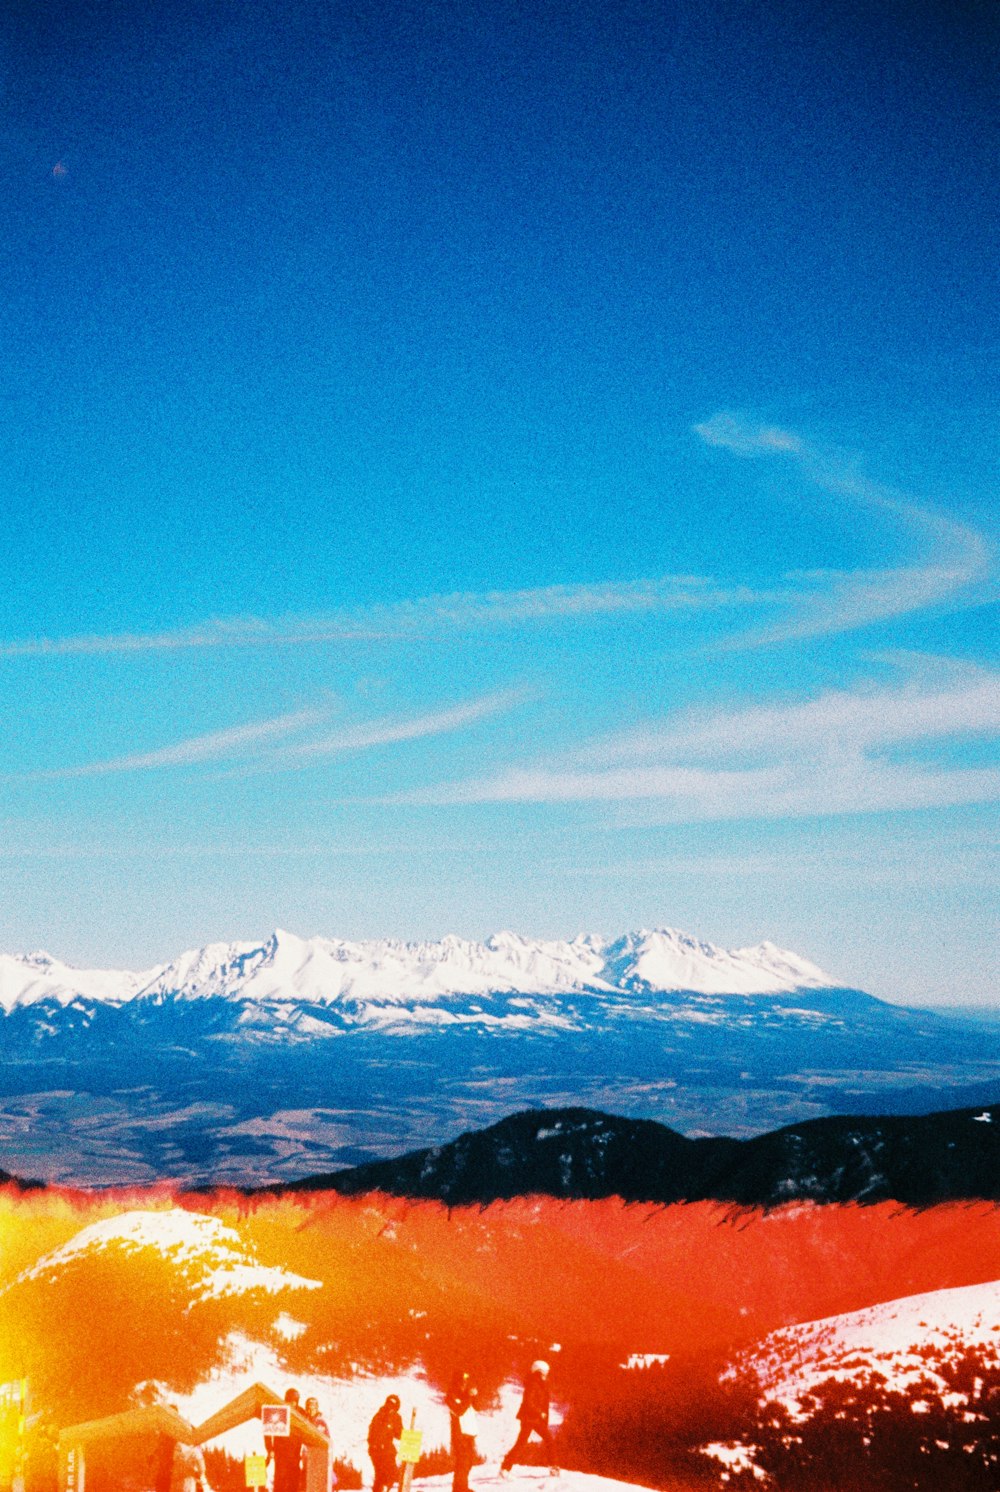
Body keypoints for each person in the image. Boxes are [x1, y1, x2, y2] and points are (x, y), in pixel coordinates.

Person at [500, 1361, 557, 1477]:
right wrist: (540, 1413)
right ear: (539, 1371)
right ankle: (553, 1468)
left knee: (522, 1443)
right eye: (545, 1372)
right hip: (530, 1418)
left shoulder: (539, 1383)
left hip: (533, 1418)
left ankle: (505, 1468)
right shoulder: (534, 1383)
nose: (547, 1374)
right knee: (547, 1440)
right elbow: (528, 1402)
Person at [267, 1389, 305, 1492]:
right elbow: (268, 1430)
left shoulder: (301, 1412)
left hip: (295, 1453)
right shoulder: (279, 1411)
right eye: (290, 1401)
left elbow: (310, 1428)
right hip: (281, 1453)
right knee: (280, 1482)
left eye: (294, 1401)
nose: (292, 1404)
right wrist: (270, 1448)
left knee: (294, 1481)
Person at [367, 1394, 402, 1492]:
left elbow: (399, 1434)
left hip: (384, 1450)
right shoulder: (381, 1416)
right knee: (383, 1475)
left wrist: (409, 1436)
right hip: (380, 1451)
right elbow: (374, 1434)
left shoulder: (393, 1417)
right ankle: (382, 1488)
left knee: (386, 1475)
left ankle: (384, 1488)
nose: (390, 1408)